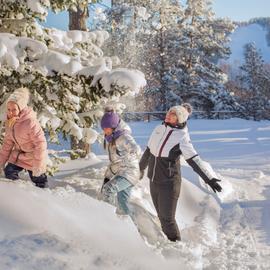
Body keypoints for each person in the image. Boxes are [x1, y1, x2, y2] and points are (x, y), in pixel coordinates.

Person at [139, 103, 222, 242]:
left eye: (173, 115)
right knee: (161, 216)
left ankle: (176, 245)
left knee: (168, 219)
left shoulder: (182, 137)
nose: (168, 115)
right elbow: (148, 151)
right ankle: (166, 243)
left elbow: (194, 159)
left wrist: (209, 179)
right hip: (153, 180)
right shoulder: (158, 129)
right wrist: (140, 168)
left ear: (179, 119)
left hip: (169, 183)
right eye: (169, 112)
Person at [0, 87, 48, 188]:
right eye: (8, 109)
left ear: (20, 109)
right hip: (19, 156)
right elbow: (7, 145)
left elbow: (41, 143)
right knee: (9, 171)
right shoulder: (10, 123)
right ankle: (20, 192)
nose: (11, 112)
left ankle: (44, 196)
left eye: (14, 109)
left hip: (33, 157)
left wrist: (38, 164)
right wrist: (1, 163)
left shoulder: (30, 122)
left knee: (38, 180)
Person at [100, 109, 141, 216]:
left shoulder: (123, 137)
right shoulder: (113, 138)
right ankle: (132, 228)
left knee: (108, 190)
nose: (105, 131)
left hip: (129, 173)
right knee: (123, 204)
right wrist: (107, 176)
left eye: (107, 128)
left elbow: (136, 150)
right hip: (123, 173)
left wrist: (125, 159)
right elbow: (114, 163)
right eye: (103, 129)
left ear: (114, 127)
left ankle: (108, 219)